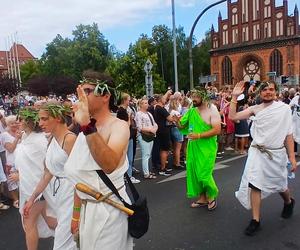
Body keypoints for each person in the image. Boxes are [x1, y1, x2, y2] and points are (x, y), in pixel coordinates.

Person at [64, 73, 133, 250]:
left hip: (110, 211)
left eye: (87, 91)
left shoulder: (119, 126)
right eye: (80, 91)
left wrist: (87, 126)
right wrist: (76, 216)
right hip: (88, 211)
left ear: (105, 96)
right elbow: (80, 180)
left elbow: (109, 165)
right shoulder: (82, 132)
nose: (82, 96)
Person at [229, 81, 297, 236]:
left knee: (280, 185)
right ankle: (255, 220)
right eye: (265, 89)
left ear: (276, 92)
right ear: (260, 93)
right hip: (257, 153)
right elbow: (233, 116)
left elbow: (288, 135)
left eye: (271, 89)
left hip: (276, 154)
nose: (268, 92)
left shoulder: (284, 109)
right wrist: (234, 97)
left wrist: (292, 158)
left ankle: (288, 201)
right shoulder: (255, 109)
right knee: (254, 184)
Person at [23, 104, 77, 250]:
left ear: (58, 118)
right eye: (39, 119)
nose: (40, 123)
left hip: (73, 194)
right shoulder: (51, 140)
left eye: (44, 119)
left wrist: (77, 213)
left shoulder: (70, 140)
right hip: (59, 195)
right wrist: (32, 198)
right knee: (72, 239)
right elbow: (47, 174)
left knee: (63, 241)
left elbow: (82, 176)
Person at [14, 107, 57, 250]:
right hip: (31, 188)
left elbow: (44, 167)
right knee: (51, 221)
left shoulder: (39, 141)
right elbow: (23, 162)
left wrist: (20, 175)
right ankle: (75, 236)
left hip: (36, 189)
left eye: (21, 119)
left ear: (29, 121)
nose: (17, 122)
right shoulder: (26, 138)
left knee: (29, 224)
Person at [177, 88, 221, 210]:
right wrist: (176, 121)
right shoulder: (192, 111)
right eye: (192, 96)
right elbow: (182, 125)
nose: (193, 99)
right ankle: (202, 199)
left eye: (196, 96)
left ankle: (211, 196)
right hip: (193, 147)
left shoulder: (212, 109)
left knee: (203, 173)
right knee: (195, 174)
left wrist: (199, 135)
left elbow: (217, 129)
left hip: (207, 147)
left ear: (204, 97)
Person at [135, 97, 158, 179]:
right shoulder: (138, 114)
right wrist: (150, 129)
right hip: (143, 136)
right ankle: (146, 173)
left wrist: (154, 129)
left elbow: (154, 123)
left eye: (147, 103)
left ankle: (147, 171)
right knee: (146, 154)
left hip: (151, 135)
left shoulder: (148, 113)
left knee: (148, 154)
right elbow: (139, 127)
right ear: (141, 105)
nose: (147, 104)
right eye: (145, 103)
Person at [2, 115, 21, 208]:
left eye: (15, 122)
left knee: (21, 179)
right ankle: (15, 200)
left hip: (21, 160)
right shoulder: (4, 135)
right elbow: (10, 149)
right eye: (12, 123)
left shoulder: (21, 132)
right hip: (11, 161)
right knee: (12, 181)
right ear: (8, 124)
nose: (14, 125)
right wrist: (17, 138)